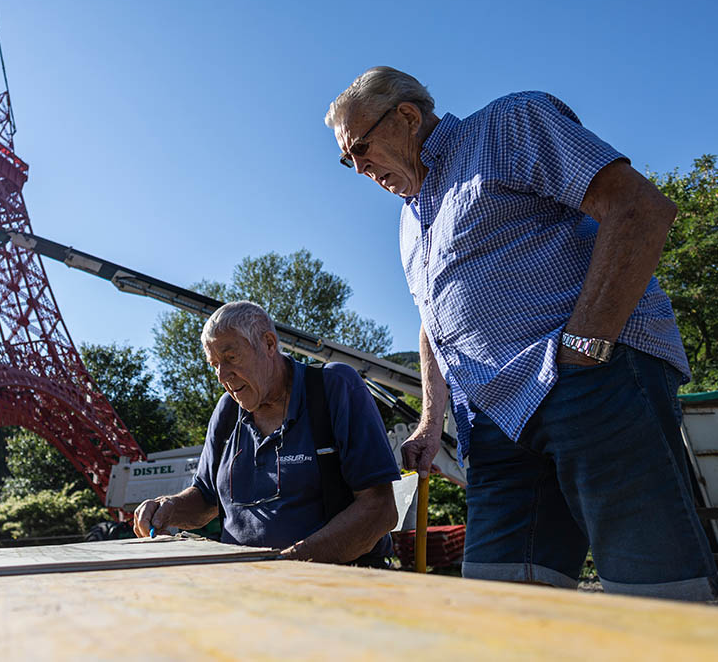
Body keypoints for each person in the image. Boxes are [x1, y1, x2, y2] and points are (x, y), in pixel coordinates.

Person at [324, 66, 718, 600]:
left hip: (586, 385)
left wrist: (585, 347)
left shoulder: (508, 125)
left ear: (408, 117)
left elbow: (637, 208)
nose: (359, 167)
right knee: (500, 603)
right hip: (493, 424)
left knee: (657, 592)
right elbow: (435, 322)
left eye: (361, 147)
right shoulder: (408, 224)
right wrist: (429, 422)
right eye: (348, 160)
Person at [133, 301, 401, 565]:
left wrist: (285, 564)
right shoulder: (227, 410)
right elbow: (206, 498)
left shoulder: (333, 387)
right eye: (214, 364)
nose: (221, 375)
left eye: (231, 357)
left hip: (333, 585)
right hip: (248, 585)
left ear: (269, 344)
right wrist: (167, 507)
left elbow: (379, 510)